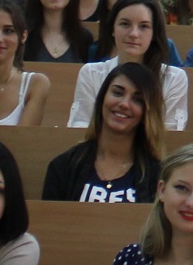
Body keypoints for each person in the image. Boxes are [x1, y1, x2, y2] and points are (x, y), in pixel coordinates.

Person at [68, 0, 188, 130]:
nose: (133, 34)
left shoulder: (174, 79)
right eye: (125, 24)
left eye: (144, 26)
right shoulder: (90, 74)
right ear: (112, 29)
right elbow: (80, 127)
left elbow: (170, 133)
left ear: (154, 33)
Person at [42, 63, 161, 203]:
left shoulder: (158, 175)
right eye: (117, 93)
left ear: (147, 112)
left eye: (137, 99)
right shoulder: (63, 167)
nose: (124, 104)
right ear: (102, 98)